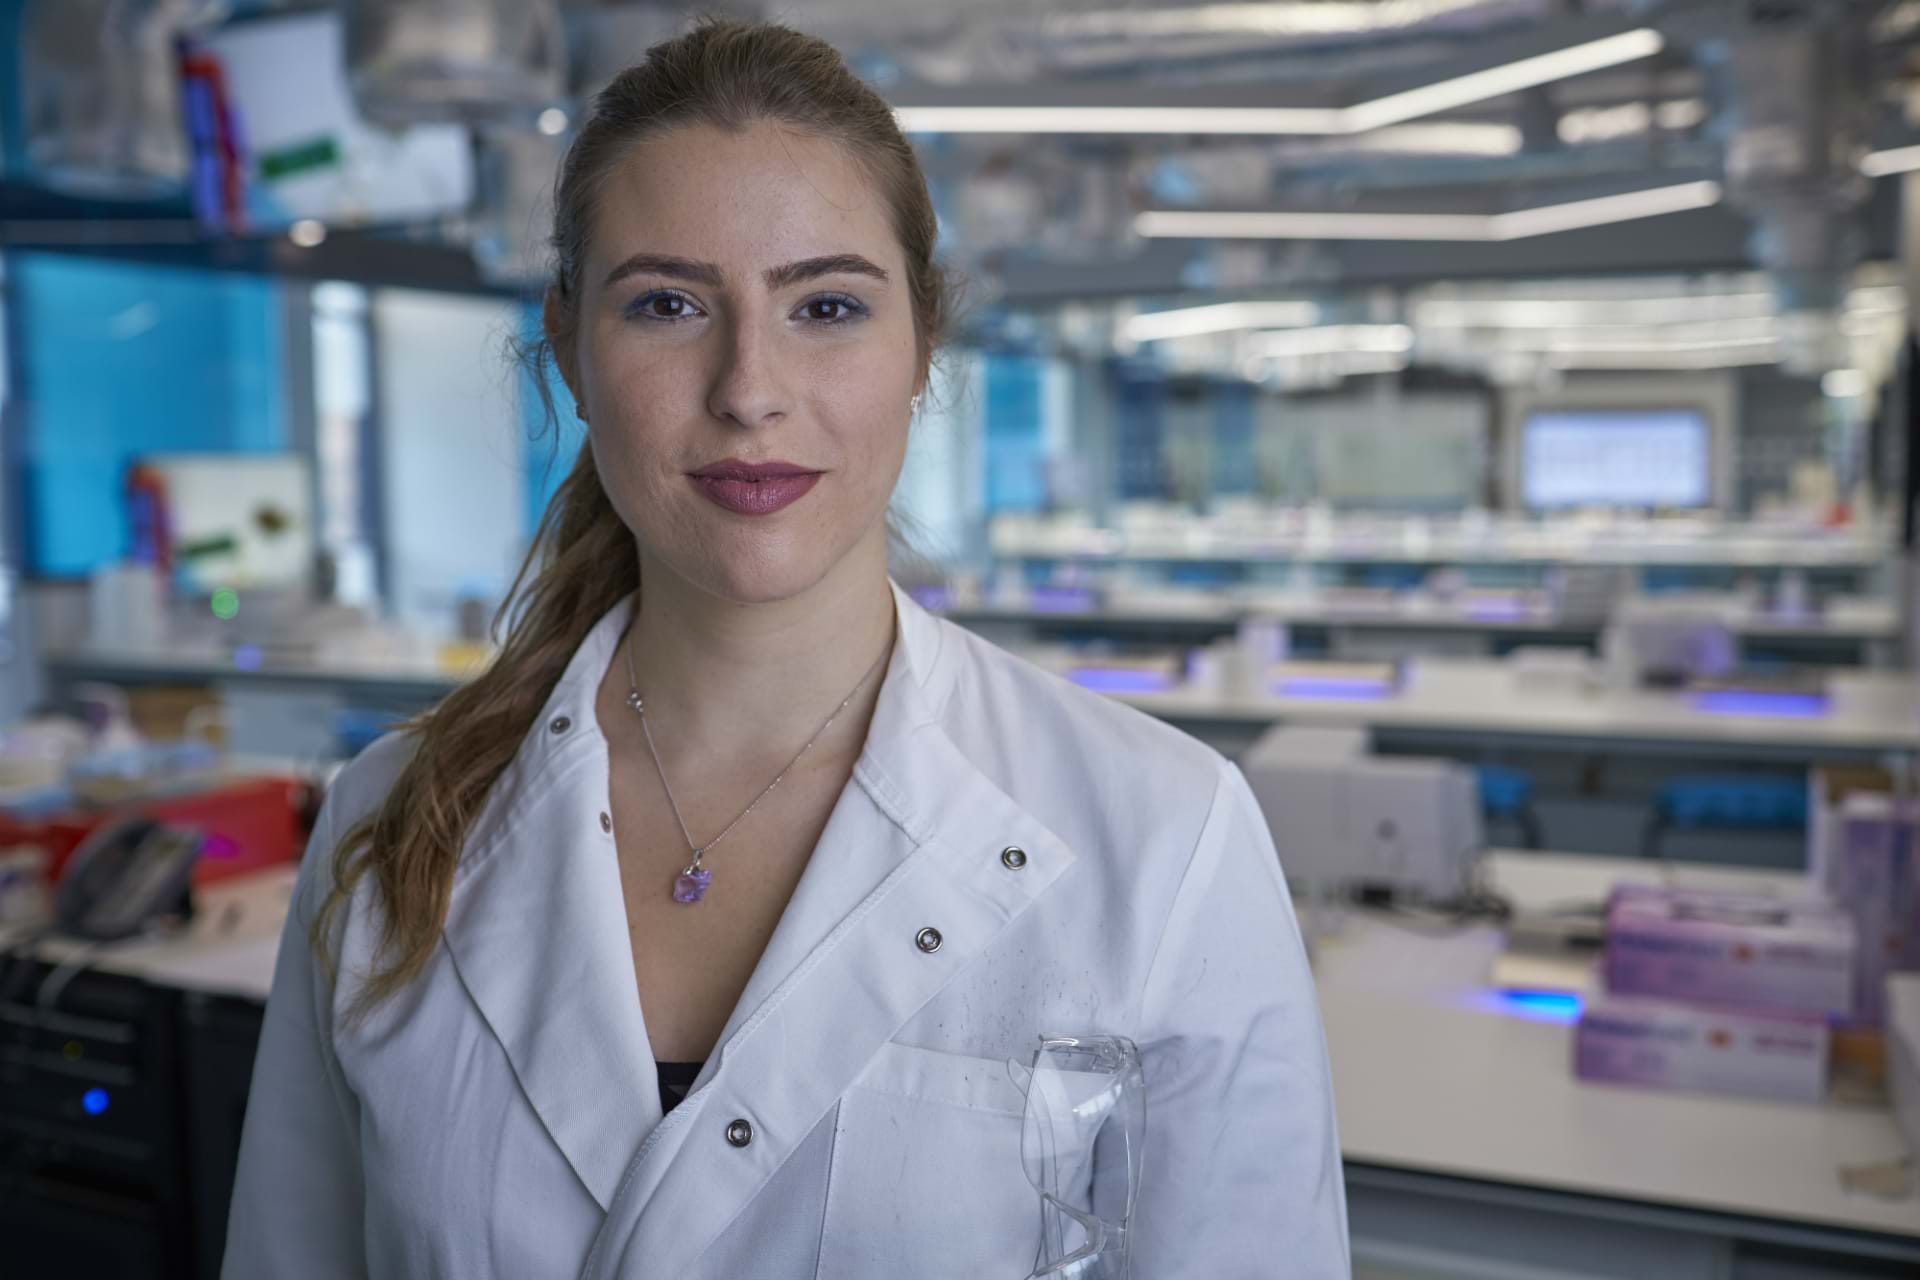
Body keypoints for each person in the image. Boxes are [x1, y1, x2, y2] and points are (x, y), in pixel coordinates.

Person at [224, 17, 1347, 1278]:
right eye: (666, 303)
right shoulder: (392, 820)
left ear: (923, 343)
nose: (749, 388)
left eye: (825, 305)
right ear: (569, 351)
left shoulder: (1168, 833)